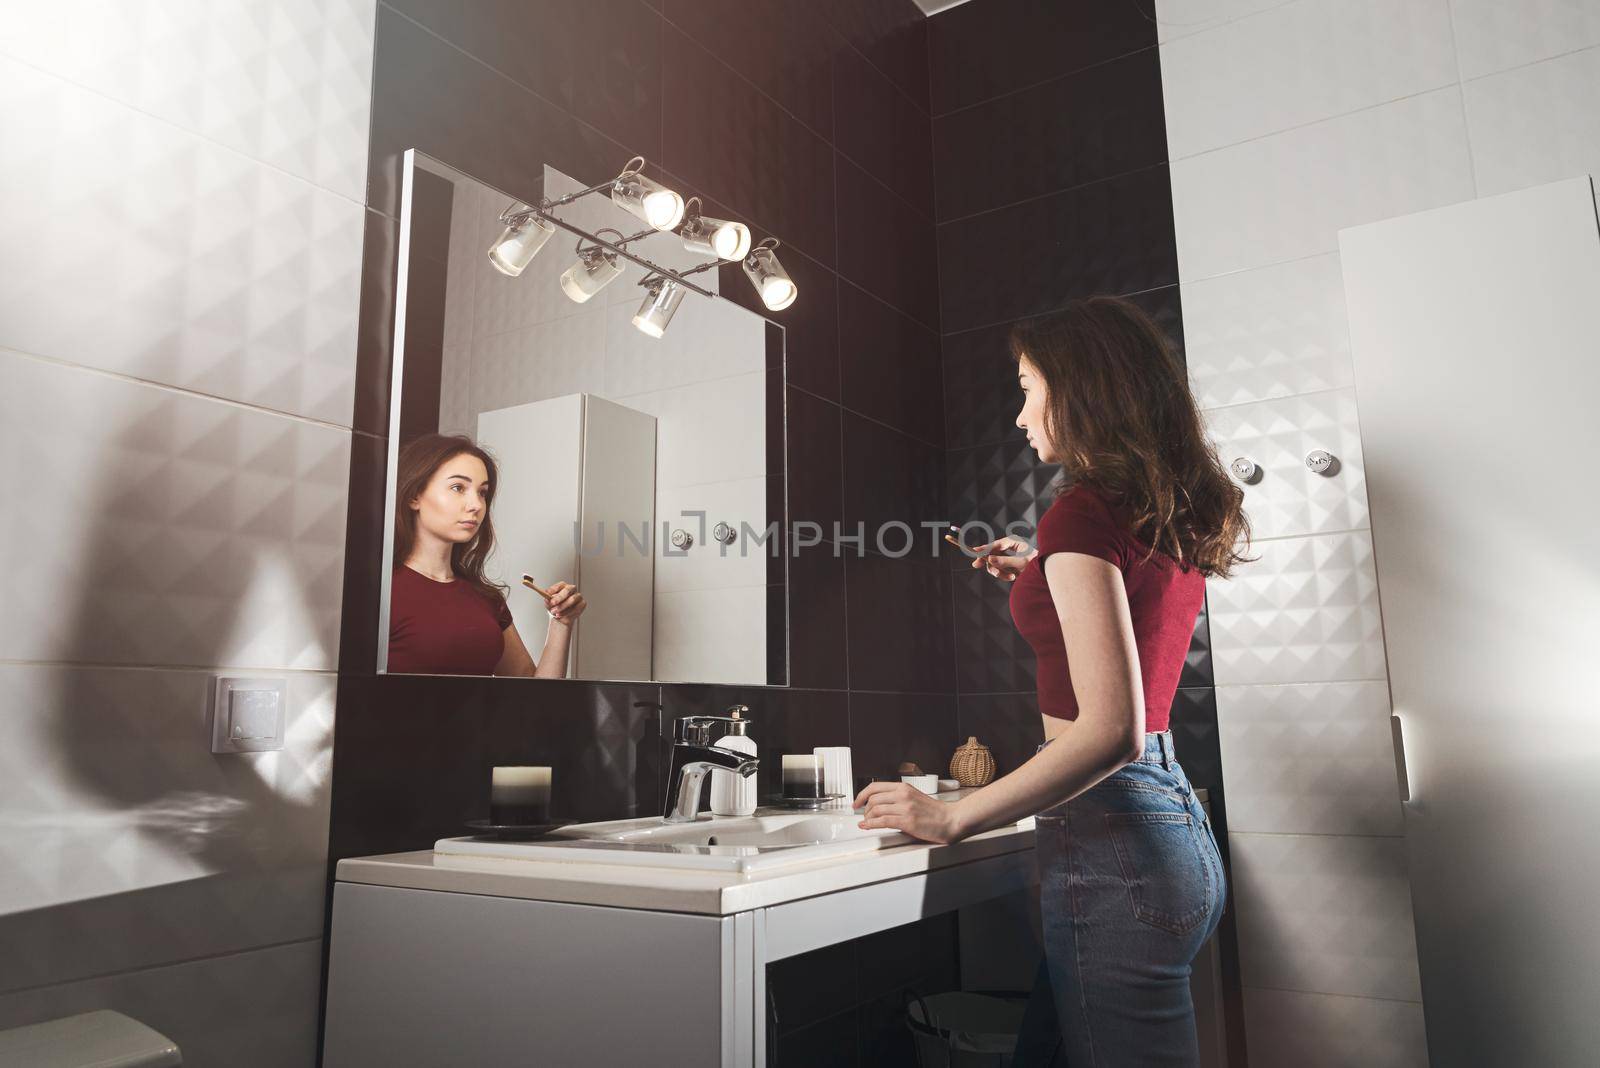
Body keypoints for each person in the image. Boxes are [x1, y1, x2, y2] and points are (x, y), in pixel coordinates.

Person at [854, 297, 1250, 1065]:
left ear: (1083, 391)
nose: (1020, 415)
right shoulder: (1155, 510)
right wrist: (1041, 575)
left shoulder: (1079, 515)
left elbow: (1109, 731)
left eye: (1029, 387)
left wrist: (953, 819)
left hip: (1115, 838)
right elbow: (1139, 619)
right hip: (1166, 830)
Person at [388, 433, 585, 676]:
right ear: (414, 496)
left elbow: (535, 698)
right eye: (458, 487)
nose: (477, 505)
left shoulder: (486, 599)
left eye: (482, 492)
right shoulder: (379, 593)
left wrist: (561, 624)